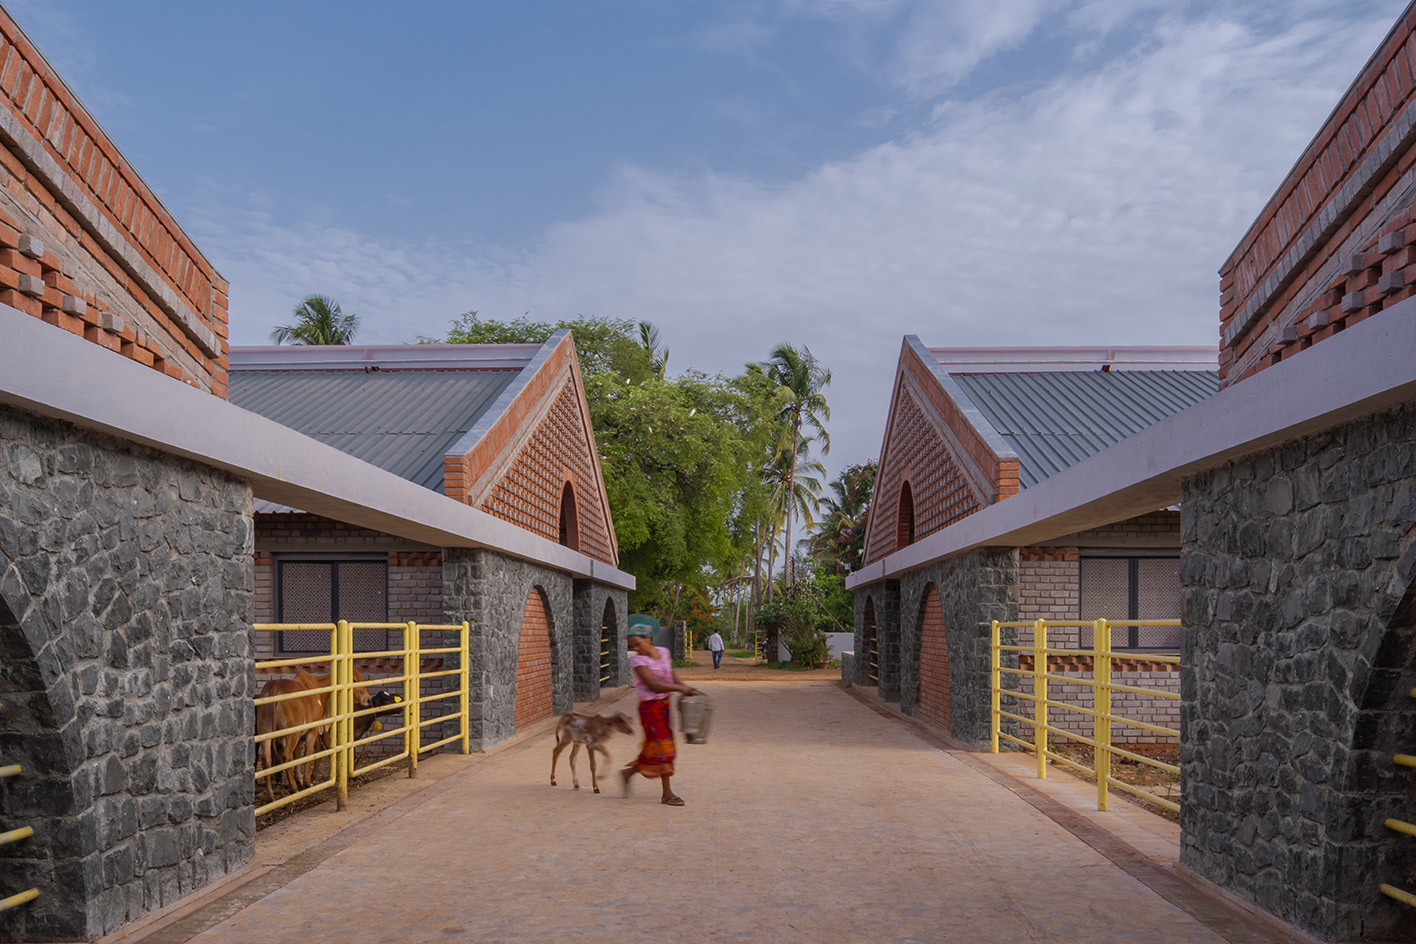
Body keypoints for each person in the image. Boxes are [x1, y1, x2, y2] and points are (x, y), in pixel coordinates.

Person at [621, 615, 700, 806]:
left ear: (648, 638)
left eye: (638, 644)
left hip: (663, 707)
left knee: (654, 747)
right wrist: (679, 689)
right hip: (650, 709)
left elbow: (672, 676)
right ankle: (667, 793)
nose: (636, 649)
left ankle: (628, 773)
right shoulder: (638, 662)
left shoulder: (664, 653)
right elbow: (653, 685)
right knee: (664, 747)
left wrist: (686, 689)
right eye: (633, 646)